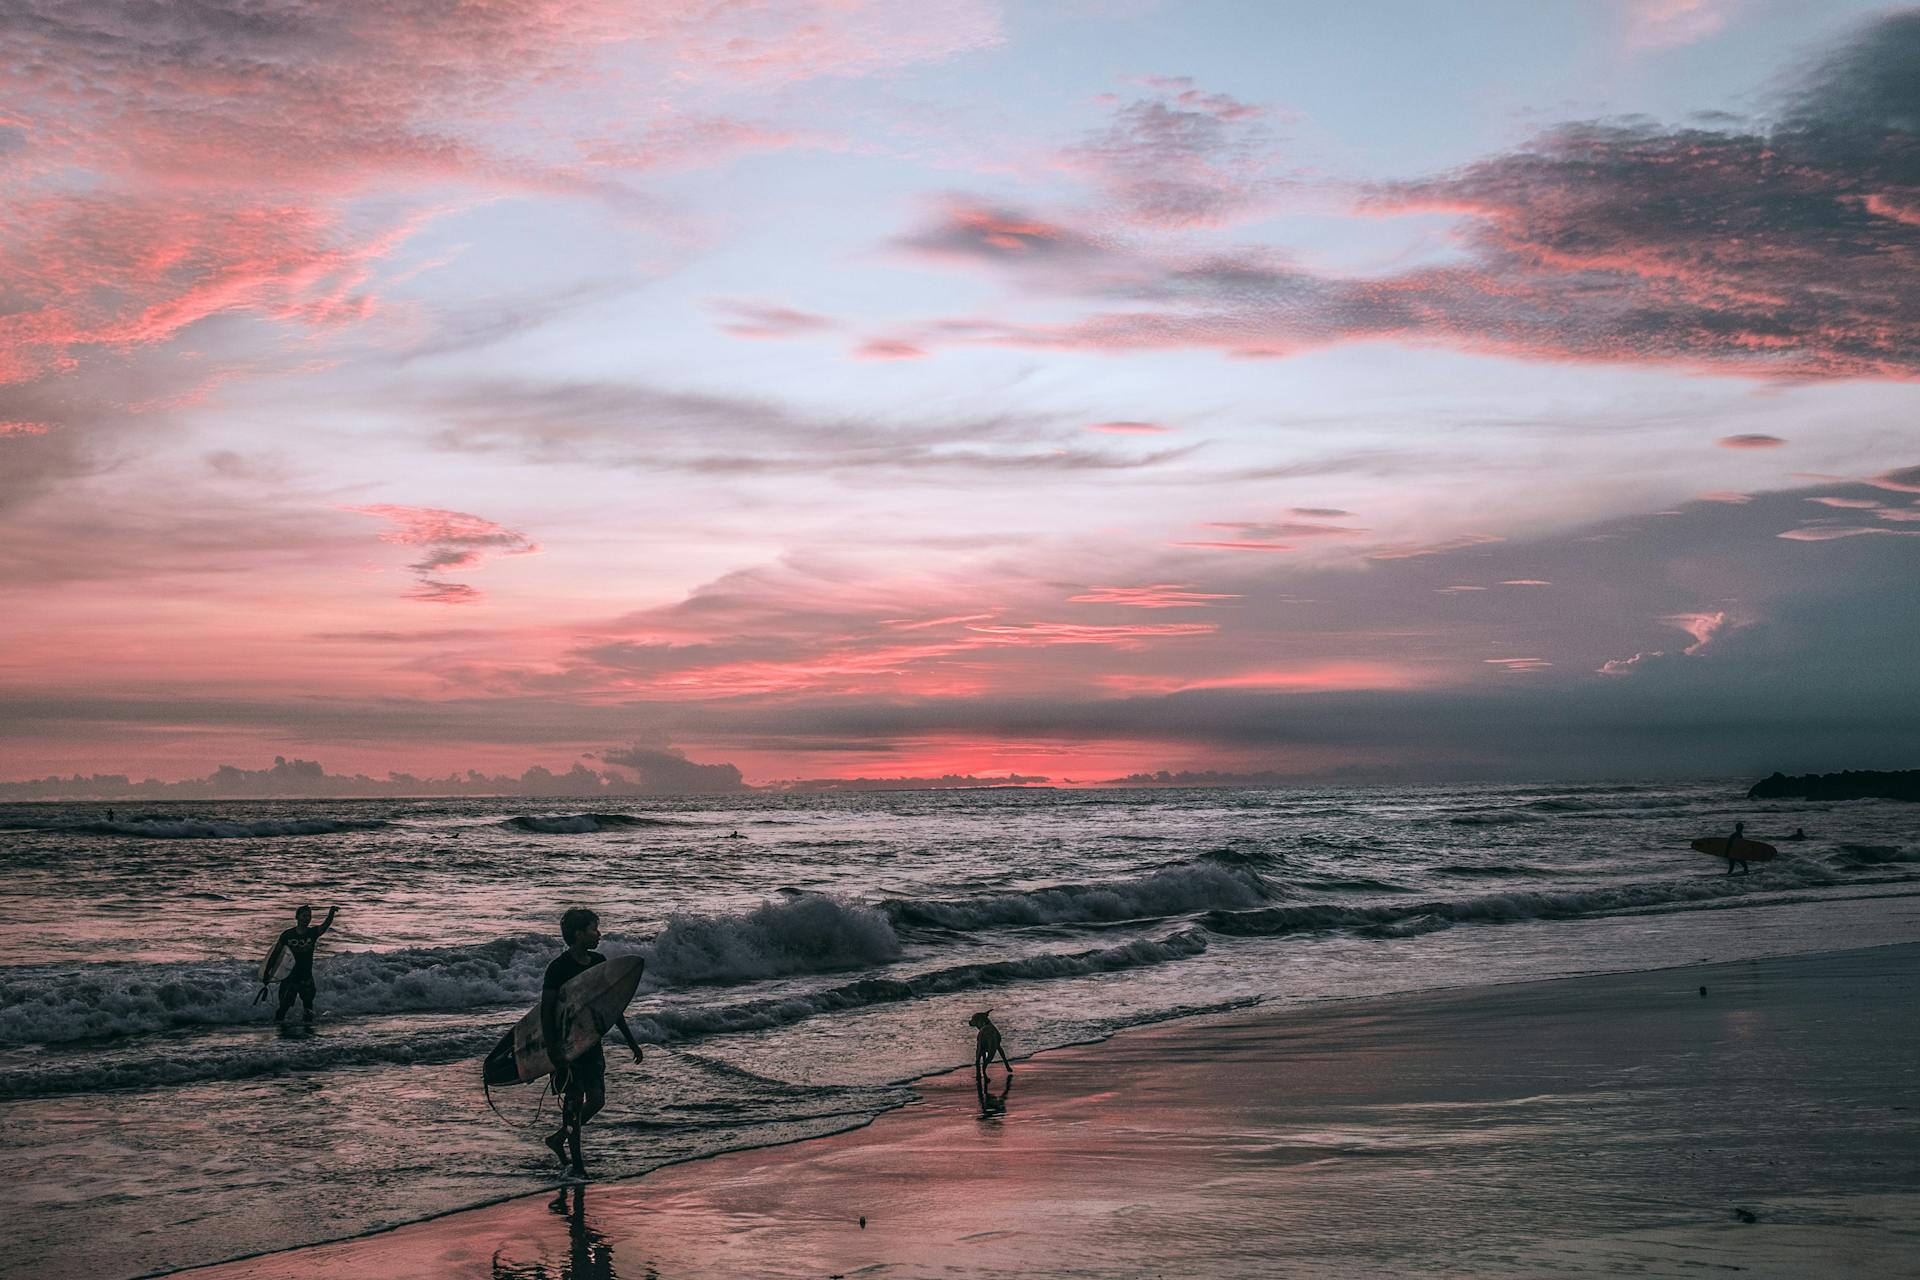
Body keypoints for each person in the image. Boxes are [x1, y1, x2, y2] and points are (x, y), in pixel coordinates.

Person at [542, 907, 643, 1177]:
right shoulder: (558, 968)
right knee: (573, 1104)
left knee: (596, 1100)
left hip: (591, 1041)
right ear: (579, 934)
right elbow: (546, 1011)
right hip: (568, 1046)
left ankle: (558, 1139)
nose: (599, 934)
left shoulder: (599, 962)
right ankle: (577, 1167)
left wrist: (631, 1041)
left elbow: (612, 1007)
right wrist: (553, 1050)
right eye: (594, 929)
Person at [266, 904, 338, 1023]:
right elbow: (275, 955)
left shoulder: (312, 933)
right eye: (304, 916)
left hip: (306, 977)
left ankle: (308, 1034)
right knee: (283, 1008)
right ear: (297, 917)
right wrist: (267, 973)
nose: (307, 918)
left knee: (308, 1008)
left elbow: (325, 926)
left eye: (309, 916)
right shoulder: (287, 935)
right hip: (289, 978)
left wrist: (331, 913)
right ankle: (279, 1033)